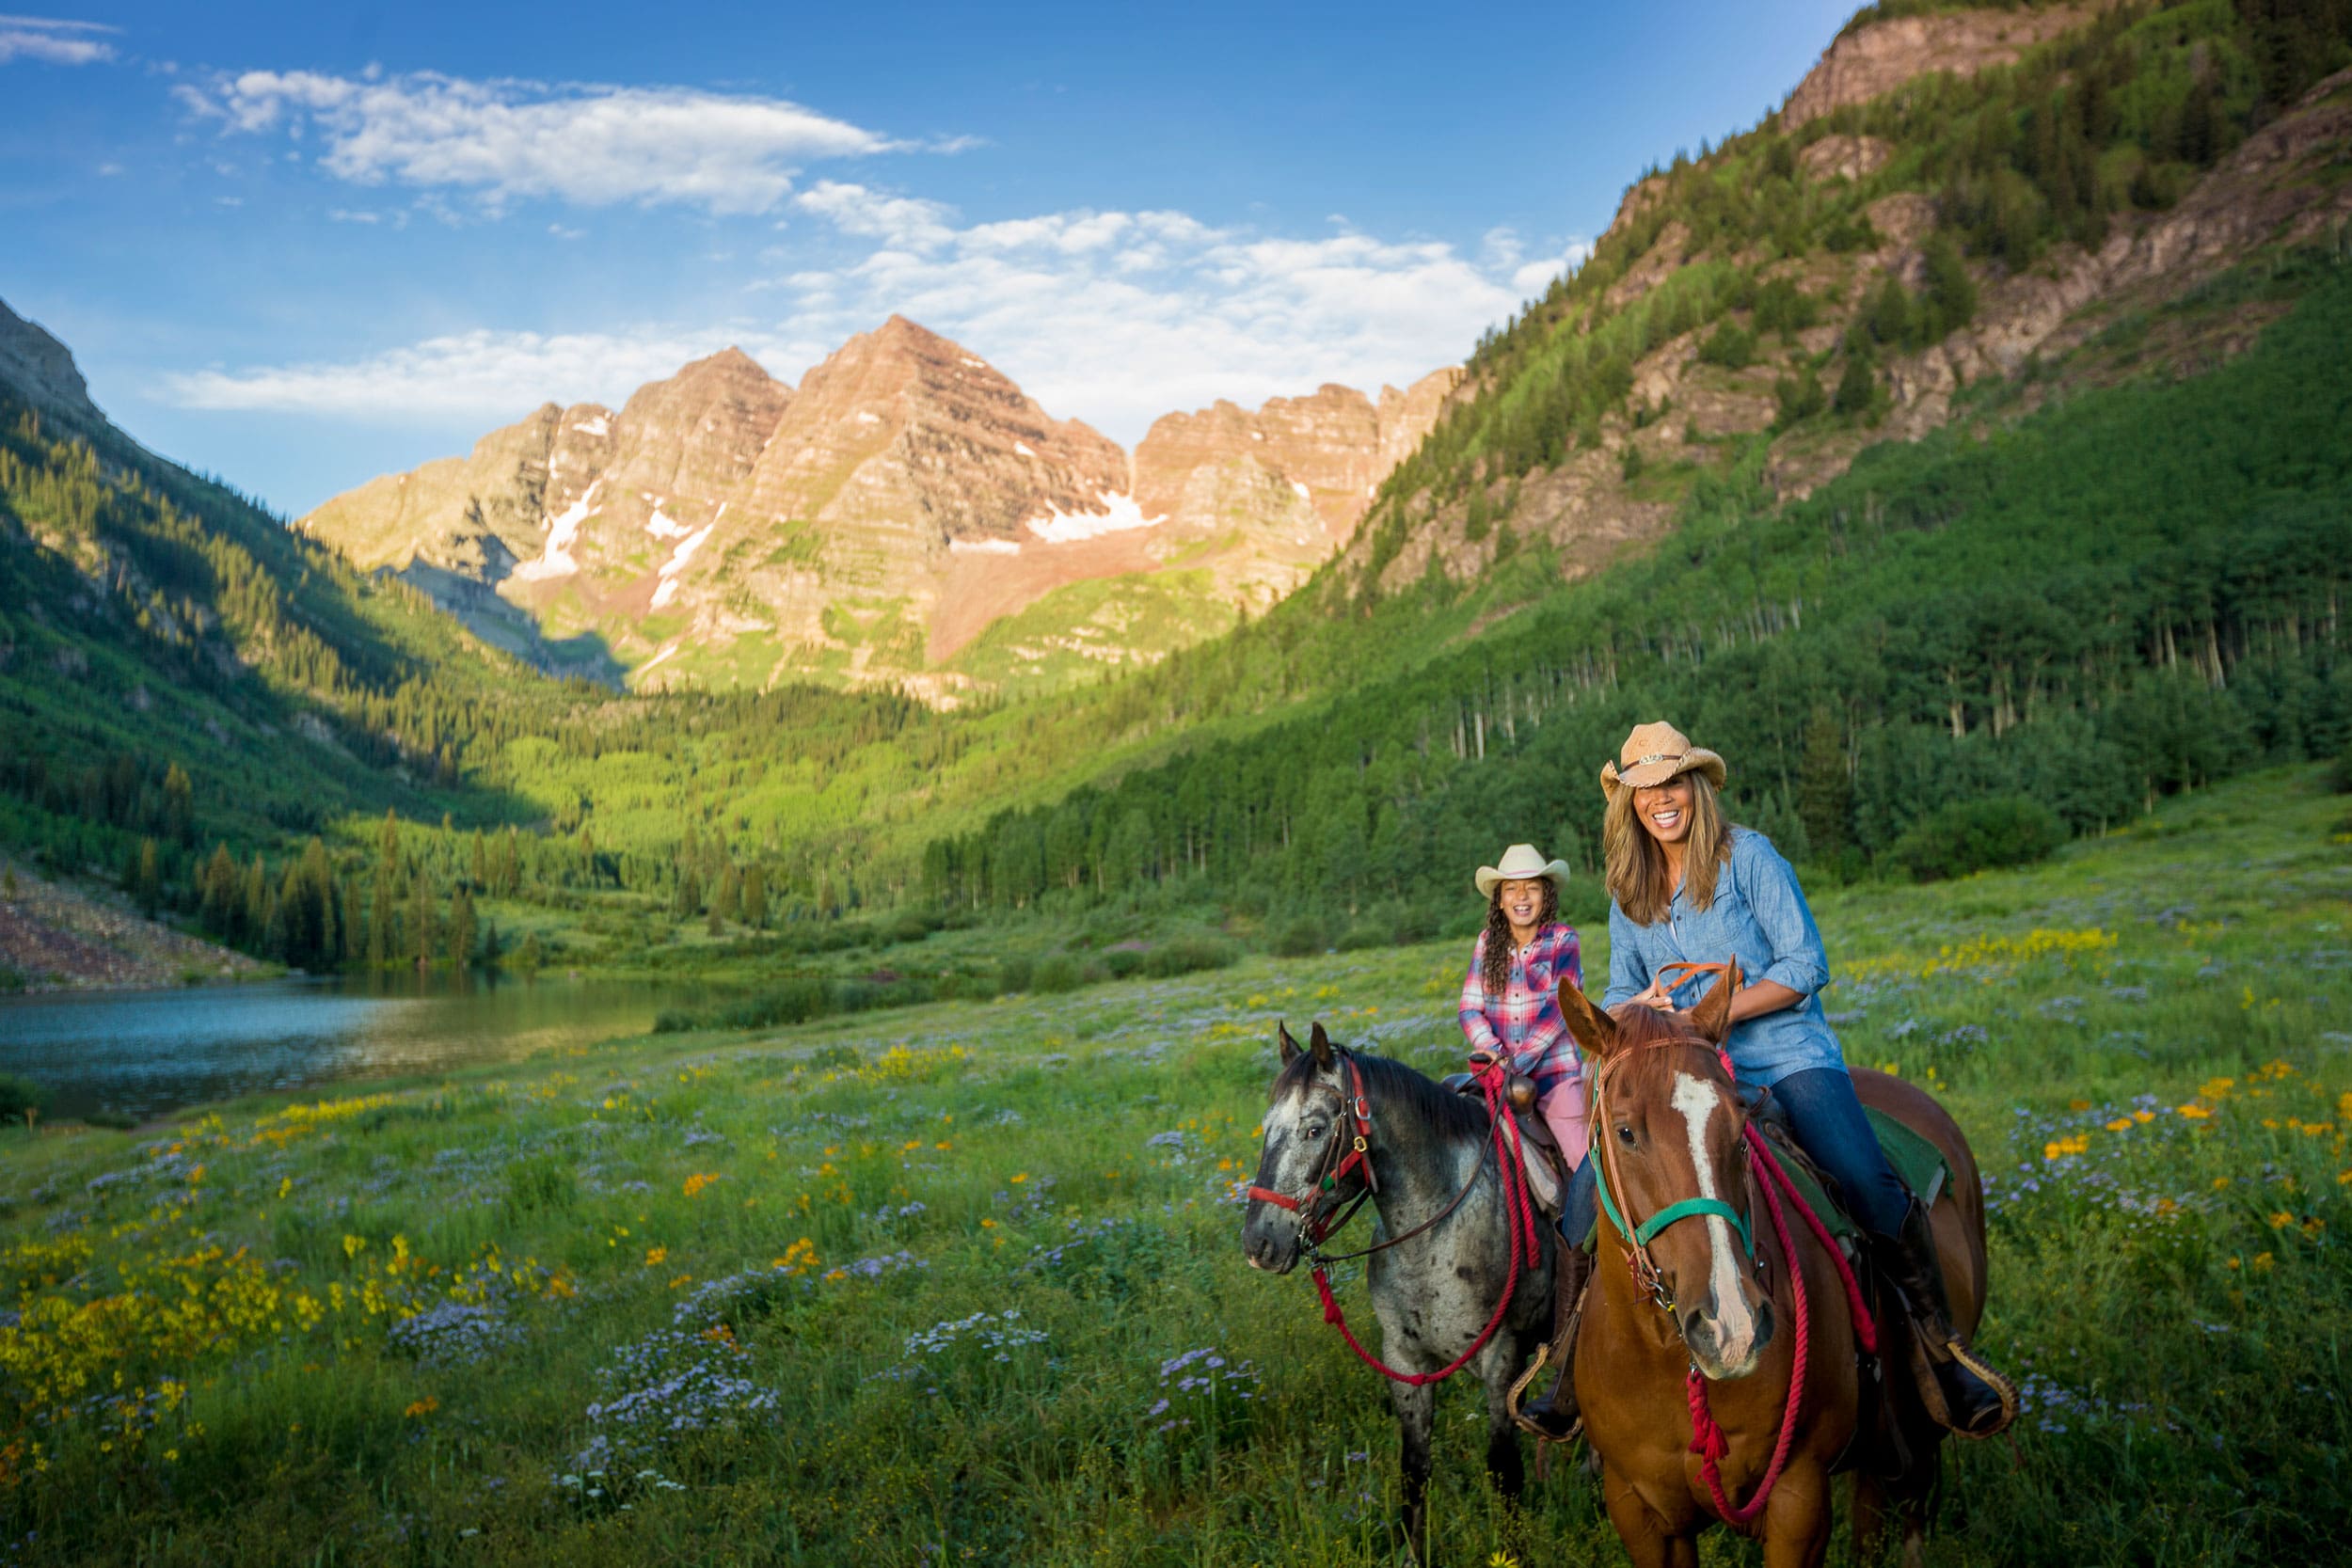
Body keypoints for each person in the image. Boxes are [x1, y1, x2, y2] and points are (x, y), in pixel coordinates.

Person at [1539, 721, 2014, 1440]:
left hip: (1784, 1054)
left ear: (1693, 786)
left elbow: (1804, 964)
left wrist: (1712, 1013)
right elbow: (1622, 988)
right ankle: (1567, 1368)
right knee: (1583, 1205)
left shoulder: (1749, 858)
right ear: (1627, 803)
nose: (1660, 800)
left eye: (1671, 784)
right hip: (1683, 1075)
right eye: (1644, 790)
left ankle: (1938, 1349)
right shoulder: (1628, 891)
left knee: (1863, 1177)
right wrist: (1635, 1016)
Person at [1457, 845, 1591, 1443]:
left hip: (1552, 1073)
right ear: (1499, 898)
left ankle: (1593, 1261)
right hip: (1496, 1075)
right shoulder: (1487, 947)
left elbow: (1559, 1014)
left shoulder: (1563, 940)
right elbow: (1470, 1008)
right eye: (1510, 889)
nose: (1520, 897)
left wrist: (1518, 1063)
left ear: (1545, 893)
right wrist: (1491, 1054)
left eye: (1531, 887)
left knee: (1582, 1165)